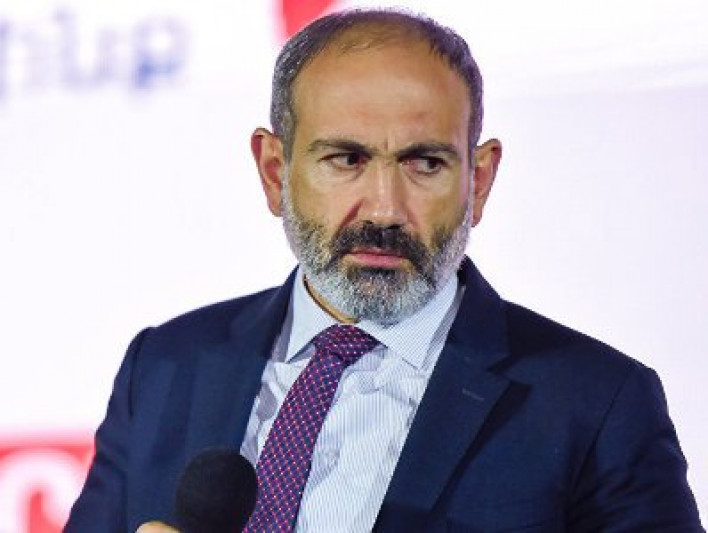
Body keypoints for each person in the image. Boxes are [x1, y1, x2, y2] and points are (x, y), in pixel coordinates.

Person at [66, 8, 703, 532]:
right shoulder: (164, 365)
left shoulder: (596, 403)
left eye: (425, 164)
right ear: (274, 172)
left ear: (478, 181)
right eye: (346, 159)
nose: (384, 209)